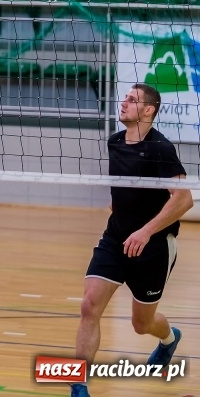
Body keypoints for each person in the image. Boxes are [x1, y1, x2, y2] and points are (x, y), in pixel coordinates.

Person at [70, 83, 193, 397]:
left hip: (152, 246)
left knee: (142, 324)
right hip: (115, 239)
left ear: (149, 110)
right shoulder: (115, 141)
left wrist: (145, 230)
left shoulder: (160, 149)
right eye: (124, 98)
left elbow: (183, 200)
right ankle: (78, 386)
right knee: (88, 307)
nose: (123, 103)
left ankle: (169, 339)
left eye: (132, 100)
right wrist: (120, 207)